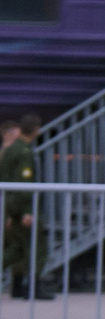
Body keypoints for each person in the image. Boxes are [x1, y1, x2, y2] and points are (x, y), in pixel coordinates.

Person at [1, 112, 39, 298]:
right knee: (20, 247)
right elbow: (21, 182)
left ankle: (19, 286)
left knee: (17, 247)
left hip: (8, 205)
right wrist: (25, 210)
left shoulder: (9, 151)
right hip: (14, 204)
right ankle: (27, 287)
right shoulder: (21, 151)